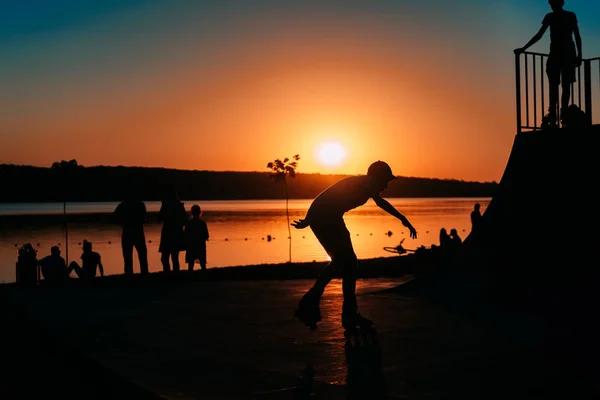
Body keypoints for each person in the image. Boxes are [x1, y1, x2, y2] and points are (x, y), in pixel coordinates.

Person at [291, 161, 417, 331]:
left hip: (328, 217)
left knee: (347, 263)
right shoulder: (368, 182)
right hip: (326, 218)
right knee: (346, 261)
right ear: (377, 177)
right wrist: (403, 219)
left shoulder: (363, 183)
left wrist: (309, 218)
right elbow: (381, 203)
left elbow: (327, 196)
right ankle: (321, 302)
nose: (386, 186)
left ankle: (336, 308)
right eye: (385, 181)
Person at [514, 0, 582, 127]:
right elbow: (539, 35)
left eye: (553, 3)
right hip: (558, 54)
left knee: (563, 85)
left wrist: (579, 55)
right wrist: (523, 48)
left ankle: (562, 113)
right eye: (551, 4)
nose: (552, 6)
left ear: (560, 3)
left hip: (565, 54)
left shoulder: (567, 16)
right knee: (556, 85)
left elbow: (577, 35)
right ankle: (555, 114)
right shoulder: (551, 17)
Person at [113, 191, 149, 275]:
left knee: (128, 256)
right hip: (137, 231)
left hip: (128, 231)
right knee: (142, 255)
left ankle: (129, 274)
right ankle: (144, 273)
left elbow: (114, 216)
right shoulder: (140, 204)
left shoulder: (123, 205)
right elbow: (143, 218)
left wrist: (122, 222)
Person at [158, 189, 188, 272]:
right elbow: (185, 220)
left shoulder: (167, 205)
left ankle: (168, 273)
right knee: (173, 257)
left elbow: (160, 218)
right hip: (175, 233)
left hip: (169, 233)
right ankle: (174, 274)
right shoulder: (179, 205)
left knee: (166, 257)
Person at [185, 204, 210, 271]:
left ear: (192, 213)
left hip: (191, 246)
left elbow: (185, 235)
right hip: (200, 247)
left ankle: (190, 278)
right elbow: (206, 236)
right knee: (202, 264)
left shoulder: (189, 223)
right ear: (199, 212)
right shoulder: (202, 223)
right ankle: (205, 277)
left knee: (190, 265)